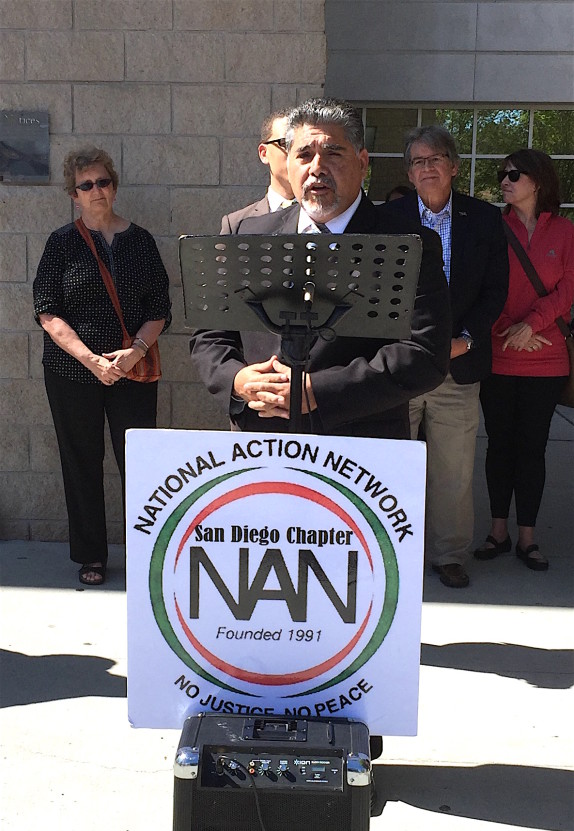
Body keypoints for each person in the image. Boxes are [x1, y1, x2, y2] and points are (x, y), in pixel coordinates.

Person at [192, 98, 451, 441]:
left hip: (360, 447)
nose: (316, 167)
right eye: (303, 155)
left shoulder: (409, 244)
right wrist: (239, 380)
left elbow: (425, 354)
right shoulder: (248, 235)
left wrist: (317, 391)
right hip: (260, 438)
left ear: (362, 162)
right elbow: (210, 336)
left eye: (332, 153)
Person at [33, 145, 171, 586]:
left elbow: (161, 307)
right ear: (73, 194)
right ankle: (91, 555)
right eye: (86, 185)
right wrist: (91, 360)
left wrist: (133, 352)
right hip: (73, 371)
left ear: (114, 186)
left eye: (103, 182)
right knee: (82, 460)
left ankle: (147, 550)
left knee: (139, 463)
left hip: (131, 369)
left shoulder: (142, 241)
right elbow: (47, 311)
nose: (96, 191)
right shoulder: (61, 243)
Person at [392, 125, 509, 588]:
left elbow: (496, 291)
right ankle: (395, 552)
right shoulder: (389, 217)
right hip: (399, 364)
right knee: (396, 465)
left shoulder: (483, 219)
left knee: (453, 469)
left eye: (435, 158)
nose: (427, 168)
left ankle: (449, 555)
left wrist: (466, 340)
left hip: (457, 363)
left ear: (454, 166)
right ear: (409, 171)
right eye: (417, 162)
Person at [474, 149, 574, 571]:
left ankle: (528, 538)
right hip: (498, 355)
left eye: (514, 174)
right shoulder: (493, 230)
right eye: (502, 175)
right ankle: (498, 531)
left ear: (538, 181)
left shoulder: (565, 231)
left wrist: (532, 326)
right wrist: (508, 330)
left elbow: (568, 290)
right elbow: (482, 289)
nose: (505, 181)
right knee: (499, 446)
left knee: (532, 449)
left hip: (547, 359)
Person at [220, 109, 295, 233]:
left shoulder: (327, 217)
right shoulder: (236, 225)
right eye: (285, 144)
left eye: (301, 146)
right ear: (264, 153)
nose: (296, 153)